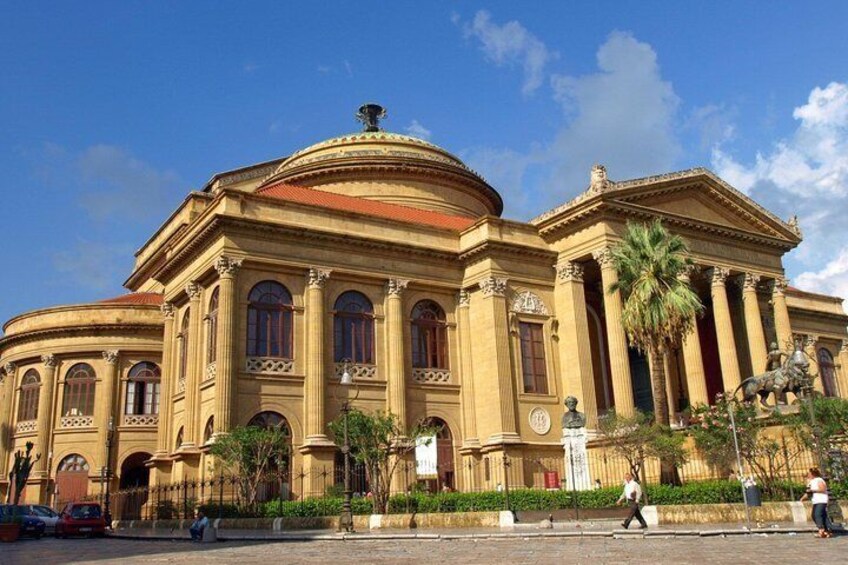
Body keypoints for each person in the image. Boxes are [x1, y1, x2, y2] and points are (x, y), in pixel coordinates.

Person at [800, 467, 832, 538]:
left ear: (813, 474)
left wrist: (813, 490)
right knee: (822, 516)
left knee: (817, 515)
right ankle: (827, 531)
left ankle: (821, 530)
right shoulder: (811, 482)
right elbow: (808, 493)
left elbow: (822, 489)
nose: (808, 474)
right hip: (816, 501)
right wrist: (802, 498)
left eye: (809, 473)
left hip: (821, 500)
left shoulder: (819, 480)